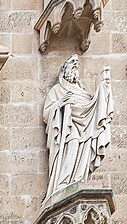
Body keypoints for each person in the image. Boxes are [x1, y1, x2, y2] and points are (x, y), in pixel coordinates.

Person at [43, 55, 114, 199]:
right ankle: (63, 183)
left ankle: (78, 179)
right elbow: (46, 113)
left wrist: (103, 88)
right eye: (72, 63)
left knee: (84, 152)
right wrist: (59, 104)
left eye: (76, 64)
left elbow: (92, 105)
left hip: (85, 129)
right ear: (64, 70)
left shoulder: (82, 90)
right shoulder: (57, 90)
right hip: (68, 129)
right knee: (73, 144)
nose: (75, 65)